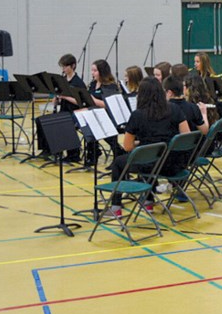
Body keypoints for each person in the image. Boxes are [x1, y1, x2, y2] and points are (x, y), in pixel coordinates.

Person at [105, 77, 190, 217]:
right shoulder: (174, 109)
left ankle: (116, 206)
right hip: (174, 164)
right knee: (149, 155)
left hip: (151, 164)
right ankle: (147, 200)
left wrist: (142, 144)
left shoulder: (138, 115)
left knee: (119, 162)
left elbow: (127, 147)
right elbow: (186, 137)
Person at [84, 59, 123, 166]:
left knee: (105, 130)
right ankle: (92, 153)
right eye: (92, 70)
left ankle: (118, 153)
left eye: (95, 71)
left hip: (108, 116)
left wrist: (92, 99)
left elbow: (109, 104)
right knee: (86, 125)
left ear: (102, 72)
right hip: (94, 115)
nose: (92, 73)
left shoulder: (110, 86)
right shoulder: (92, 84)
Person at [53, 53, 88, 162]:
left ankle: (73, 154)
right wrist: (57, 100)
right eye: (62, 66)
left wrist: (64, 96)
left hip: (75, 112)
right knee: (46, 122)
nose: (63, 69)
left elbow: (80, 102)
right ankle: (54, 150)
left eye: (65, 66)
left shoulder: (78, 82)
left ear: (72, 66)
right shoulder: (62, 80)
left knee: (65, 123)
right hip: (64, 110)